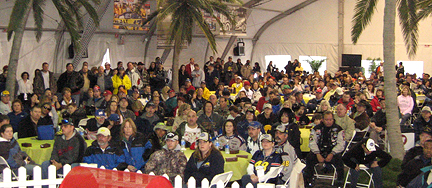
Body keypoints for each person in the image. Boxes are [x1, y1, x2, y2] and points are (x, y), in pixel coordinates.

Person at [303, 111, 345, 186]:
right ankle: (308, 180)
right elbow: (312, 142)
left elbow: (341, 144)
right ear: (322, 119)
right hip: (319, 152)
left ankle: (340, 182)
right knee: (309, 158)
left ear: (333, 119)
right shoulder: (316, 129)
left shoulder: (339, 129)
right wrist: (317, 153)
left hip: (333, 152)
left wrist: (332, 153)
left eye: (330, 120)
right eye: (326, 120)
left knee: (340, 160)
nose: (328, 122)